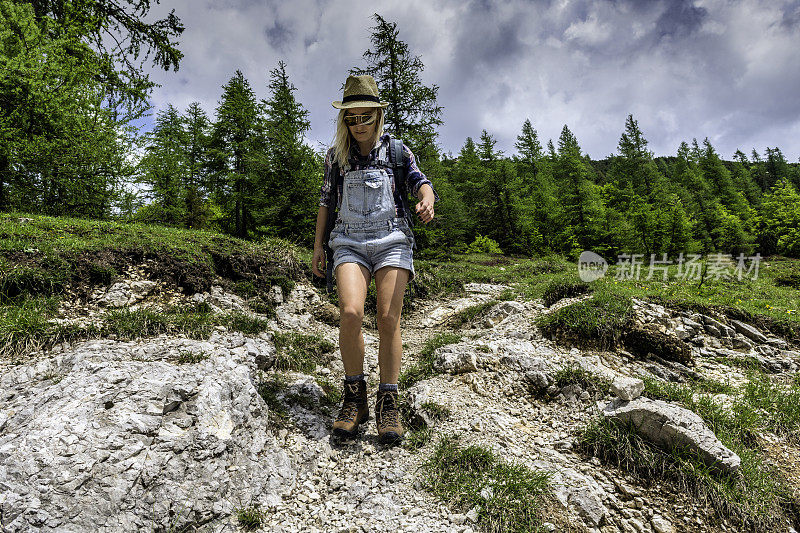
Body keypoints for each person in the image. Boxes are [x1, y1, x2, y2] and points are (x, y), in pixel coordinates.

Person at [312, 74, 438, 444]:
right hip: (348, 240)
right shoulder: (336, 157)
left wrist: (427, 198)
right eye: (352, 119)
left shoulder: (397, 151)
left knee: (387, 318)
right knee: (351, 312)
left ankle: (388, 400)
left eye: (365, 117)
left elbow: (420, 181)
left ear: (378, 115)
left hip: (393, 240)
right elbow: (326, 202)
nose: (358, 125)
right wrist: (319, 246)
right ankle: (355, 397)